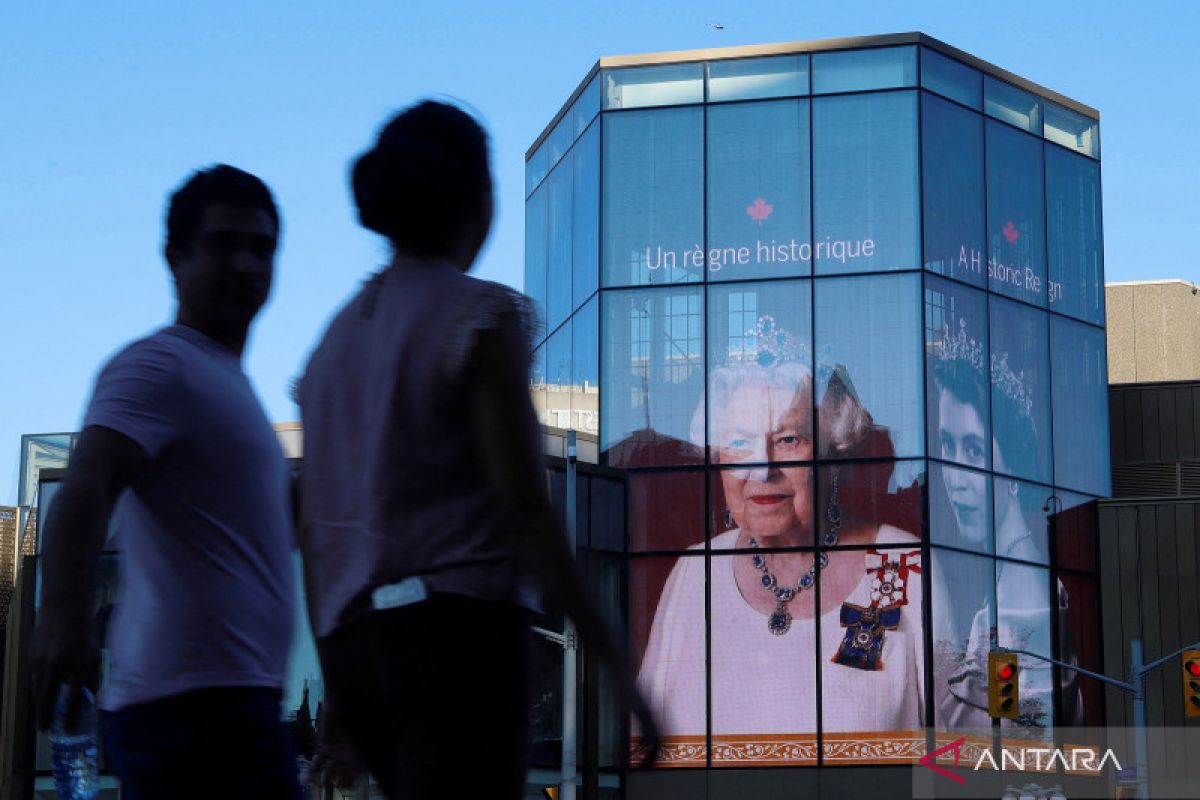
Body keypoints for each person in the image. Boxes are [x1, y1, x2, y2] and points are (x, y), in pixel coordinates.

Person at [296, 100, 658, 799]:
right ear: (479, 200)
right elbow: (524, 507)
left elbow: (318, 531)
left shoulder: (331, 348)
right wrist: (613, 658)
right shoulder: (479, 317)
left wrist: (340, 688)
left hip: (357, 654)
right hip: (459, 642)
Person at [30, 165, 302, 798]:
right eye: (224, 244)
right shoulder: (158, 366)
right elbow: (85, 489)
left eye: (262, 248)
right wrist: (61, 620)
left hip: (232, 699)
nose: (246, 264)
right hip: (190, 705)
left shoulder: (229, 389)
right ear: (175, 257)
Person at [636, 316, 926, 752]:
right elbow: (643, 751)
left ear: (831, 453)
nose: (762, 468)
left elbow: (967, 753)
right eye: (738, 442)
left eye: (788, 440)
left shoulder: (902, 565)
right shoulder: (693, 574)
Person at [931, 319, 1083, 729]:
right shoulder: (1012, 581)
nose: (954, 477)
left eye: (975, 449)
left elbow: (1030, 736)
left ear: (1013, 470)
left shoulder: (1021, 601)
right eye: (947, 445)